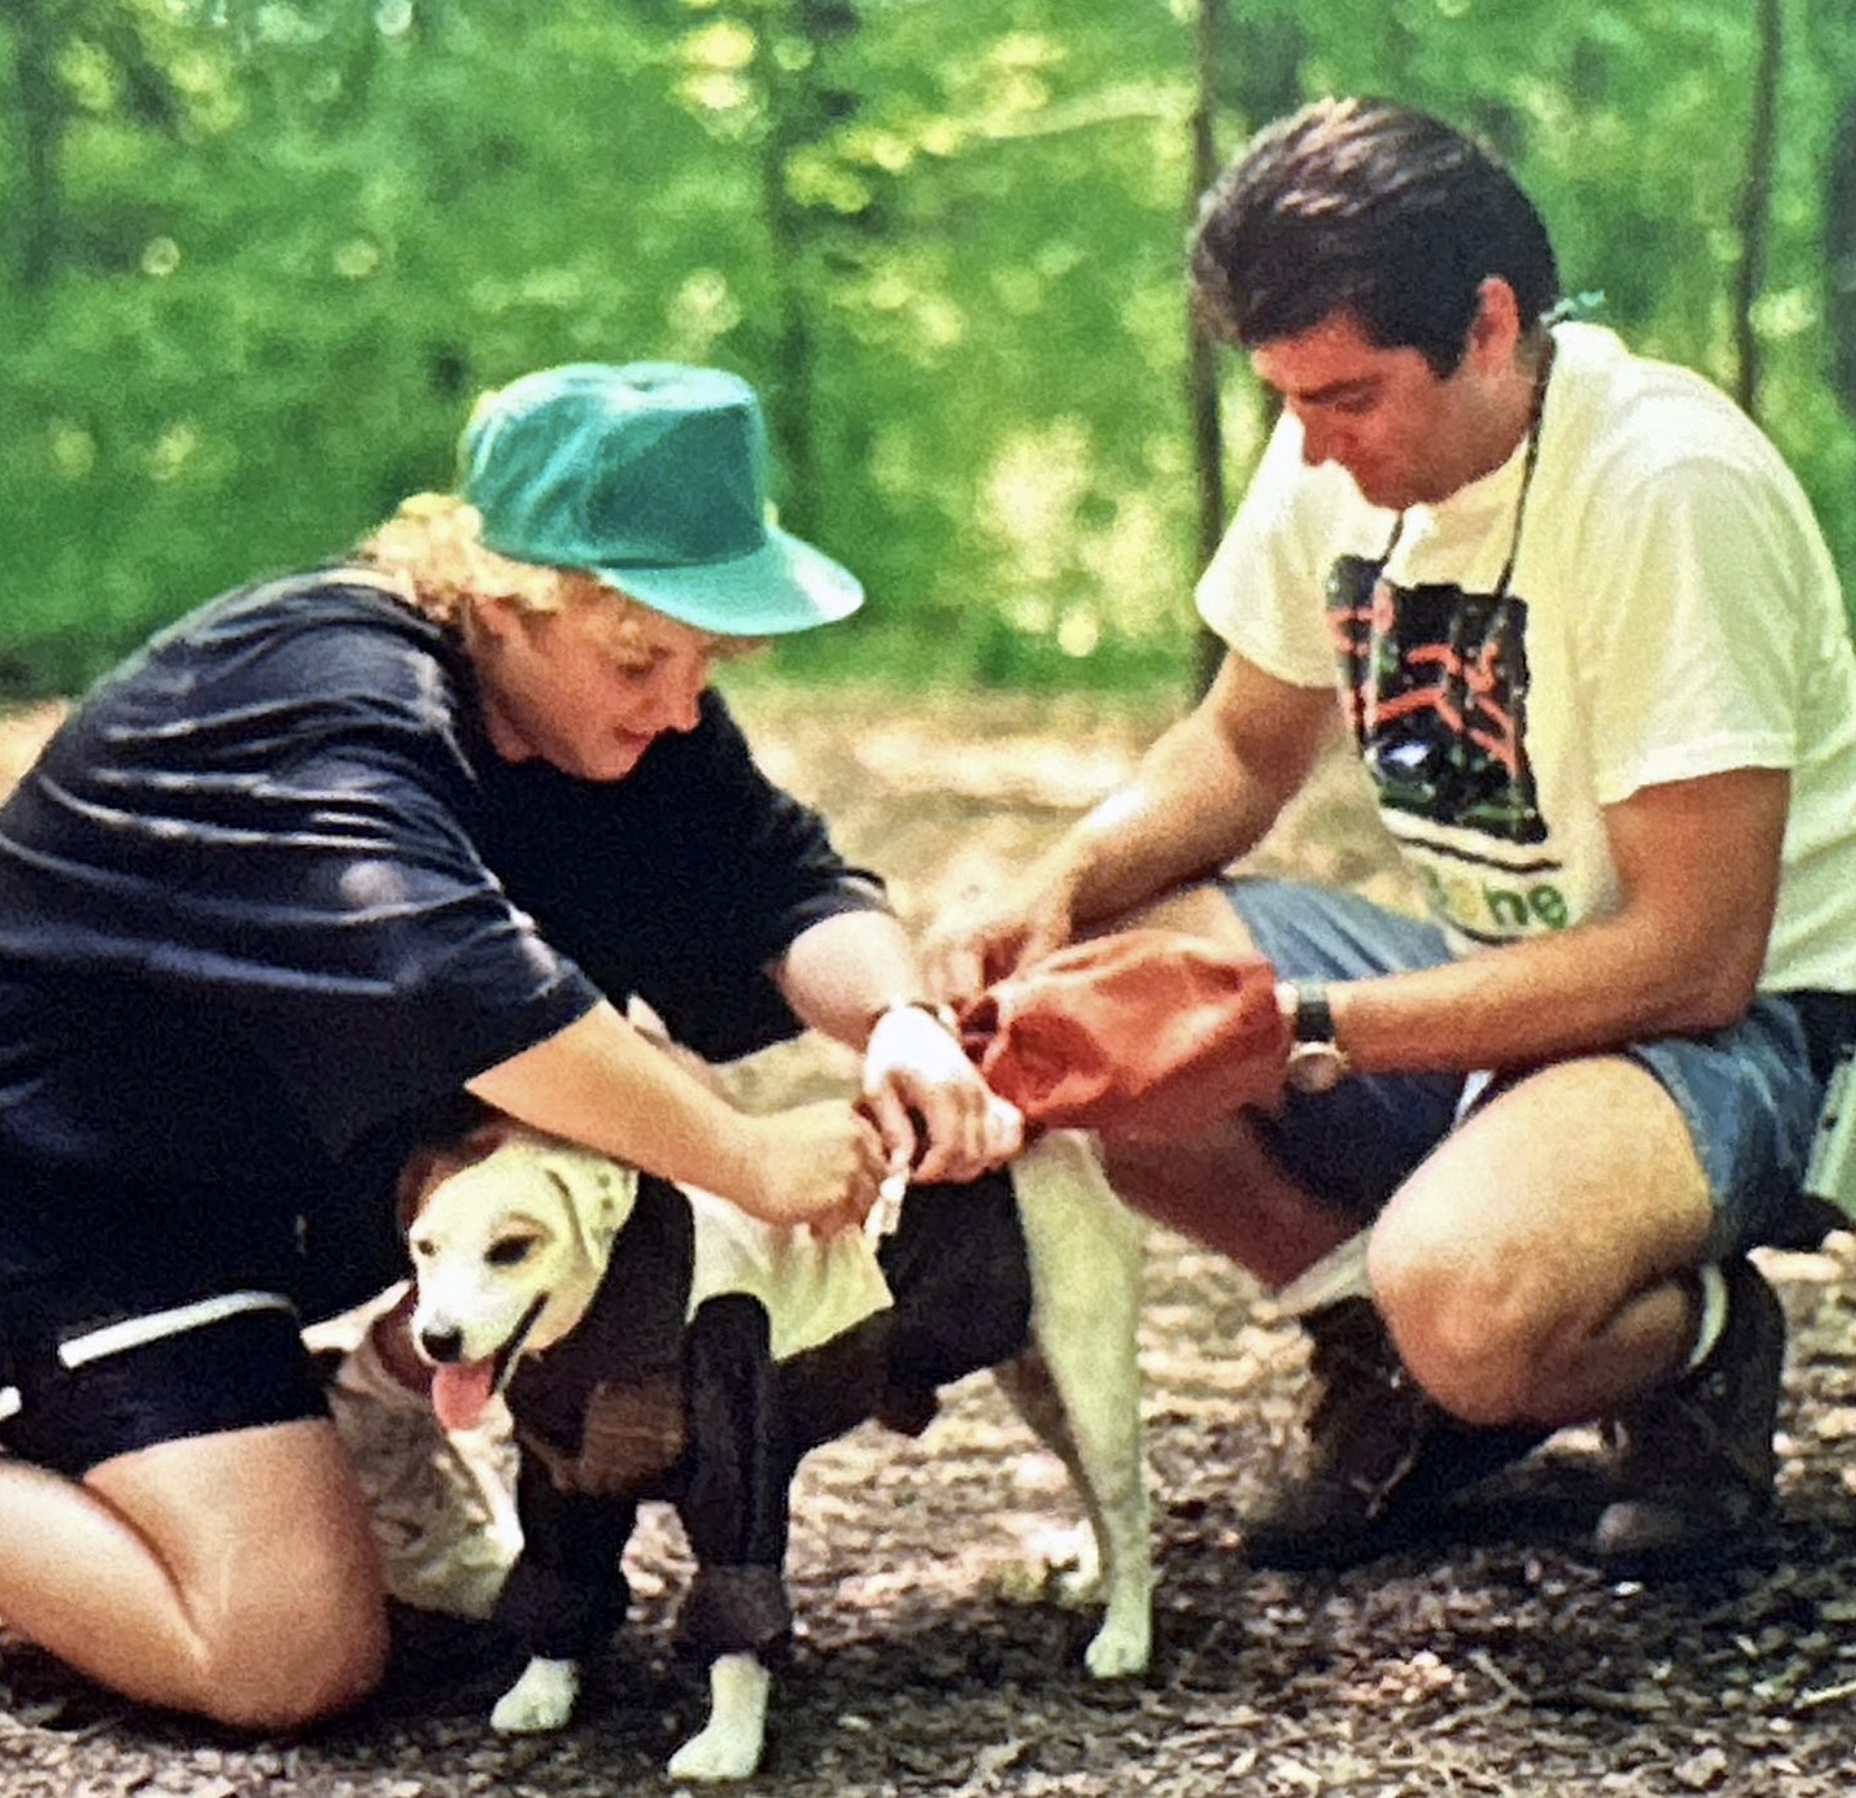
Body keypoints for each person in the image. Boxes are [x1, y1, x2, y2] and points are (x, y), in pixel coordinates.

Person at [0, 361, 1020, 1727]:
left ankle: (360, 1407)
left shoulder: (612, 711)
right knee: (286, 1650)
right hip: (75, 1208)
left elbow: (783, 884)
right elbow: (462, 993)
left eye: (706, 660)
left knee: (589, 1158)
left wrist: (900, 1022)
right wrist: (743, 1160)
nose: (677, 703)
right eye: (642, 658)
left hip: (279, 1192)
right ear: (504, 595)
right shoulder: (318, 705)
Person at [924, 97, 1856, 1577]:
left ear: (1490, 326)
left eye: (1348, 397)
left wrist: (1302, 1026)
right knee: (1087, 1004)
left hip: (1738, 1035)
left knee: (1471, 1298)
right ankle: (1399, 1369)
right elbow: (1240, 746)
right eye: (1288, 399)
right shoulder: (1329, 465)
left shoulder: (1668, 487)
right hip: (1503, 978)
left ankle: (1697, 1345)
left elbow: (1696, 955)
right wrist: (1061, 884)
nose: (1310, 442)